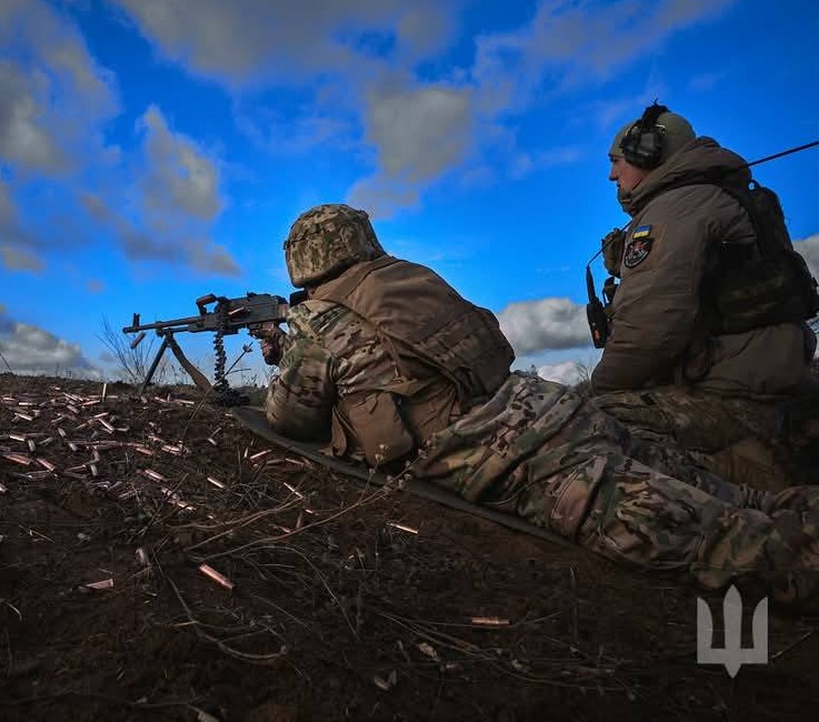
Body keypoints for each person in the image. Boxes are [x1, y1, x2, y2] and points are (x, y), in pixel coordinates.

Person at [259, 203, 819, 612]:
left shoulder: (321, 321)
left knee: (703, 539)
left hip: (502, 456)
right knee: (727, 494)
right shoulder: (413, 279)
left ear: (301, 263)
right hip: (541, 406)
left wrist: (285, 349)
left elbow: (291, 418)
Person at [590, 103, 818, 490]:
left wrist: (601, 389)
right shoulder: (717, 195)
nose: (612, 174)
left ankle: (760, 474)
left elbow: (649, 330)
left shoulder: (676, 207)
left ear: (649, 150)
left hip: (732, 396)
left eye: (617, 160)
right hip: (770, 380)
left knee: (583, 423)